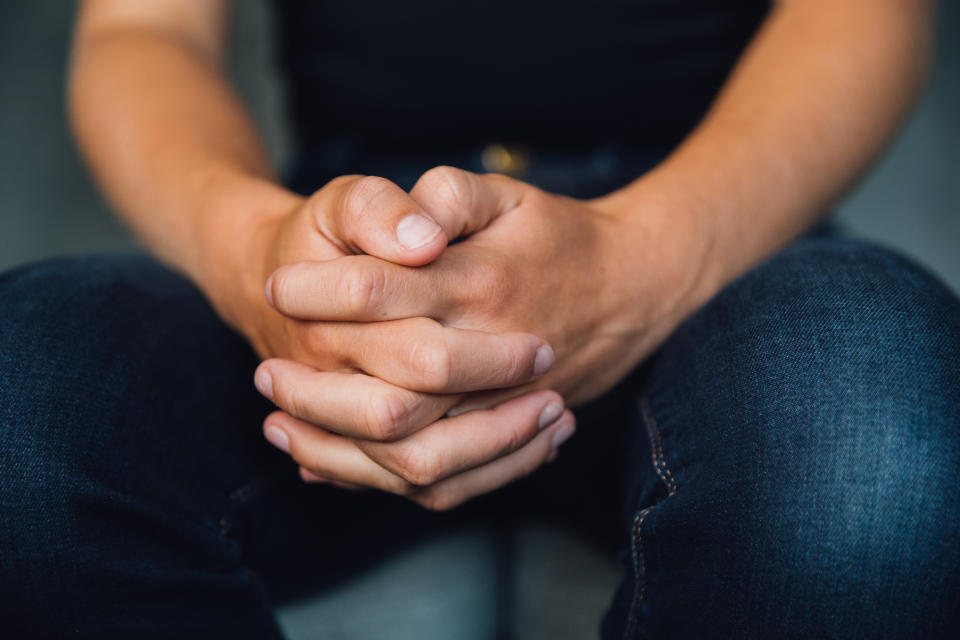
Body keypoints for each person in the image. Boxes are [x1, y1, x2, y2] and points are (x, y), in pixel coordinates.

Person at [2, 0, 958, 637]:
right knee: (21, 406)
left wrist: (643, 261)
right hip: (350, 237)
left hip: (721, 220)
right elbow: (145, 29)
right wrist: (254, 252)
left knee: (874, 436)